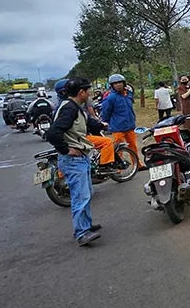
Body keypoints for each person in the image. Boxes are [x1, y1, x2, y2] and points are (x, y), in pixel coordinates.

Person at [45, 77, 103, 246]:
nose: (89, 93)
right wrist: (67, 149)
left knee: (87, 194)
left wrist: (100, 125)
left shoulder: (75, 107)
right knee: (80, 196)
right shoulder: (69, 108)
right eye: (87, 90)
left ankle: (86, 225)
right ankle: (81, 233)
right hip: (73, 159)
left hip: (81, 157)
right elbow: (53, 133)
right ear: (81, 92)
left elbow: (84, 124)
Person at [101, 74, 146, 170]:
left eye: (120, 82)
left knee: (133, 147)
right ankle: (119, 169)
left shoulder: (128, 95)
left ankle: (137, 164)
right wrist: (105, 123)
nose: (118, 85)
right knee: (118, 149)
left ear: (124, 83)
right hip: (117, 127)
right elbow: (105, 112)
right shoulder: (111, 98)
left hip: (129, 126)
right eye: (115, 83)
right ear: (112, 85)